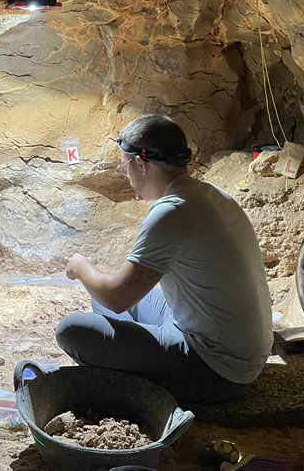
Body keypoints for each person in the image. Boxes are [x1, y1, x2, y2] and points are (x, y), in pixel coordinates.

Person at [55, 114, 273, 403]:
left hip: (216, 370)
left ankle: (131, 375)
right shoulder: (210, 194)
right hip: (232, 349)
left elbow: (118, 298)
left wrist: (80, 266)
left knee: (72, 331)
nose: (127, 174)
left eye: (126, 166)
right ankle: (135, 354)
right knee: (99, 296)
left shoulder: (171, 211)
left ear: (141, 164)